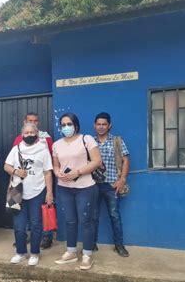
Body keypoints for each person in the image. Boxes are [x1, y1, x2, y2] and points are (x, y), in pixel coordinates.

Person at [53, 113, 101, 271]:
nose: (66, 127)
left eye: (69, 124)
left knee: (86, 221)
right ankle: (71, 252)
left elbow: (96, 161)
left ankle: (87, 254)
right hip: (64, 188)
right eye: (63, 124)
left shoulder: (86, 139)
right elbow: (56, 165)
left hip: (85, 187)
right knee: (70, 221)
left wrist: (78, 172)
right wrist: (57, 172)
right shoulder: (57, 144)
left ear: (76, 125)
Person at [4, 122, 53, 266]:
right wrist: (16, 171)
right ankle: (20, 252)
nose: (29, 135)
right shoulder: (16, 149)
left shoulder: (43, 150)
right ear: (22, 135)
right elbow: (6, 166)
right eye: (26, 133)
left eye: (32, 132)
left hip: (37, 191)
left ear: (37, 134)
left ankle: (35, 253)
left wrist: (49, 192)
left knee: (36, 224)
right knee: (19, 225)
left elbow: (47, 172)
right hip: (16, 191)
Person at [12, 112, 55, 249]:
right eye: (30, 120)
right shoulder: (18, 140)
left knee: (40, 214)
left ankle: (46, 238)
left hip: (39, 183)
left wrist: (49, 190)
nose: (33, 122)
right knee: (19, 218)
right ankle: (22, 240)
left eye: (35, 120)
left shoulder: (46, 139)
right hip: (18, 186)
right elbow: (10, 164)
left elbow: (49, 163)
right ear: (25, 122)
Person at [93, 112, 130, 257]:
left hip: (112, 185)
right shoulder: (90, 142)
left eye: (104, 124)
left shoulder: (117, 141)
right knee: (93, 216)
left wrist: (122, 180)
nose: (101, 127)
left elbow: (125, 160)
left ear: (109, 125)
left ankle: (119, 245)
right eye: (98, 124)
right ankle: (91, 244)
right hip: (94, 185)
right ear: (94, 125)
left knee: (114, 215)